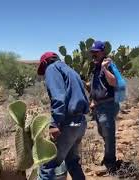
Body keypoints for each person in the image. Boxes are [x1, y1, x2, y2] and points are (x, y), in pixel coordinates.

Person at [37, 52, 89, 180]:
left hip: (68, 123)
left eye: (43, 69)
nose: (45, 73)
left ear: (45, 62)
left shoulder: (52, 68)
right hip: (80, 122)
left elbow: (59, 97)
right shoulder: (71, 70)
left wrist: (55, 123)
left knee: (48, 165)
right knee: (72, 162)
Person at [89, 41, 120, 173]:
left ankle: (110, 163)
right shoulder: (96, 66)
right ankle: (108, 158)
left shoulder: (109, 64)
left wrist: (105, 69)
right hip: (98, 105)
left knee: (108, 135)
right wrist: (93, 100)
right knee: (103, 133)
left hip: (108, 105)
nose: (93, 54)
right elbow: (97, 85)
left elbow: (114, 82)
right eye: (92, 52)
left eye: (95, 52)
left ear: (102, 51)